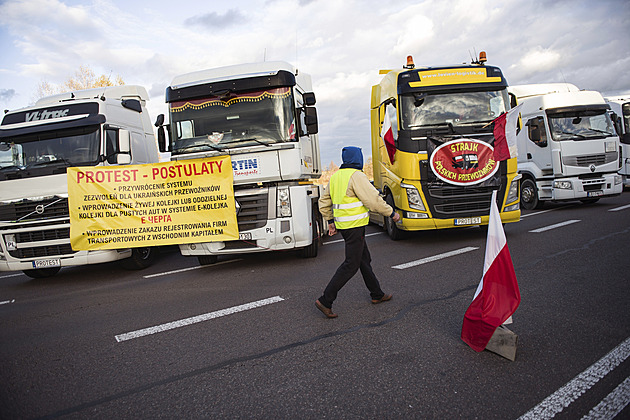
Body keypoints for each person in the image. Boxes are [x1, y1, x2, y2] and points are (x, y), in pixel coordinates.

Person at [315, 146, 401, 318]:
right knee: (351, 264)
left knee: (364, 260)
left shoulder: (335, 177)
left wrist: (330, 221)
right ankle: (325, 300)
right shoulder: (357, 176)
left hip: (345, 227)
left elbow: (324, 201)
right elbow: (373, 201)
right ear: (358, 159)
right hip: (355, 226)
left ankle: (377, 294)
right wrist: (391, 213)